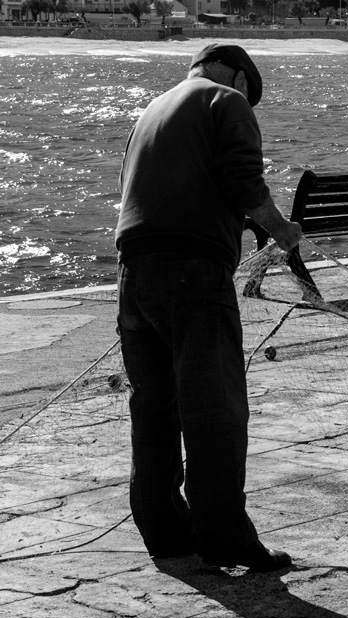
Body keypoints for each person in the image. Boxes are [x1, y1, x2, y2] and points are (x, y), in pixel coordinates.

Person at [115, 43, 302, 571]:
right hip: (193, 273)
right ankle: (226, 538)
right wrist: (280, 230)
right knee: (214, 407)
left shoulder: (152, 109)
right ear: (239, 77)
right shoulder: (226, 101)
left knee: (153, 408)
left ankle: (167, 533)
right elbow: (244, 183)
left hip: (134, 272)